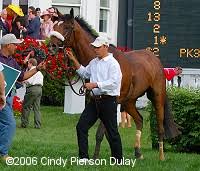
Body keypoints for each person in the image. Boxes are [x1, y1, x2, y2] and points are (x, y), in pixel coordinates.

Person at [67, 36, 123, 161]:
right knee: (81, 127)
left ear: (106, 47)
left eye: (98, 47)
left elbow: (114, 82)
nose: (95, 49)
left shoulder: (113, 64)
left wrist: (95, 84)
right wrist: (73, 59)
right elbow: (84, 73)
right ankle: (83, 158)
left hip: (108, 101)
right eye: (94, 47)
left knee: (112, 132)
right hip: (95, 101)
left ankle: (118, 160)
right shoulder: (94, 62)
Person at [0, 33, 45, 160]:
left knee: (4, 125)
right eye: (15, 45)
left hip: (7, 98)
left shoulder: (12, 61)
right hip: (1, 98)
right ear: (8, 45)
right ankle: (3, 154)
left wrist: (37, 69)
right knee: (9, 124)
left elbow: (22, 77)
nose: (16, 47)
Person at [21, 58, 43, 128]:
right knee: (37, 108)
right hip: (39, 89)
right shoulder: (40, 72)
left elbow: (29, 81)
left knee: (26, 107)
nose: (27, 65)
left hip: (32, 89)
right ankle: (38, 125)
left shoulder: (32, 71)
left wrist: (24, 81)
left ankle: (24, 124)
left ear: (30, 63)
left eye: (28, 63)